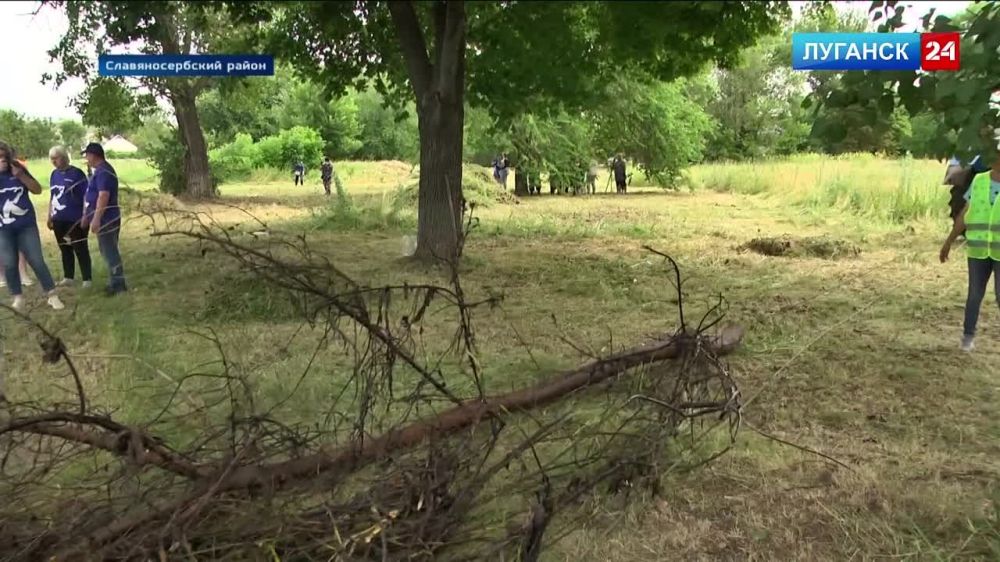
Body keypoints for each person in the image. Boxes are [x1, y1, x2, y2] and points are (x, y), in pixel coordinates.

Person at [939, 152, 1000, 352]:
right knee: (974, 294)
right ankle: (967, 337)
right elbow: (965, 212)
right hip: (978, 251)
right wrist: (949, 241)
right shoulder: (980, 181)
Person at [0, 142, 65, 310]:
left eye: (3, 156)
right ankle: (17, 296)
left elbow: (37, 190)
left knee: (36, 259)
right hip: (3, 228)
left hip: (25, 225)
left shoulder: (18, 170)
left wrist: (21, 176)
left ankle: (52, 294)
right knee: (9, 262)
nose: (1, 160)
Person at [81, 142, 127, 296]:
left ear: (93, 155)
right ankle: (114, 281)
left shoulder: (103, 172)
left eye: (87, 155)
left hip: (107, 218)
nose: (86, 158)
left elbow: (103, 195)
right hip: (106, 217)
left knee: (110, 251)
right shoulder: (100, 171)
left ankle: (118, 285)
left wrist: (96, 218)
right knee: (107, 250)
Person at [47, 145, 92, 288]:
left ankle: (87, 278)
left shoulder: (76, 174)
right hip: (59, 217)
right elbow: (52, 196)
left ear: (64, 157)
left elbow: (86, 195)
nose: (54, 162)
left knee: (80, 247)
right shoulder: (54, 175)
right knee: (64, 248)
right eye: (51, 159)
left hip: (75, 217)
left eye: (56, 158)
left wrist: (86, 214)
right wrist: (49, 215)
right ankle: (68, 276)